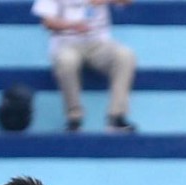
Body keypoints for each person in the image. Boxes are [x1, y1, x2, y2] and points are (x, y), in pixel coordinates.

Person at [31, 0, 137, 133]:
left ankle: (116, 117)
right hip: (66, 43)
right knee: (66, 61)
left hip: (99, 43)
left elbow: (127, 2)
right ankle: (74, 118)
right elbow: (47, 22)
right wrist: (72, 25)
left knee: (125, 56)